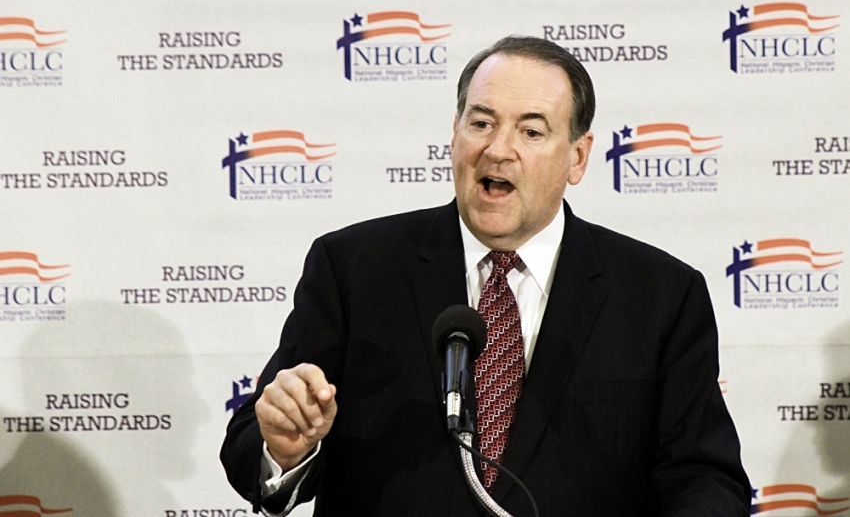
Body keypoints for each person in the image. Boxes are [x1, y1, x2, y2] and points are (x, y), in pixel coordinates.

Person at [221, 36, 751, 516]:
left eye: (531, 130)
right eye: (481, 123)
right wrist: (284, 448)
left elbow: (703, 478)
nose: (498, 149)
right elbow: (251, 443)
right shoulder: (354, 268)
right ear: (454, 135)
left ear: (578, 157)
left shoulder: (659, 294)